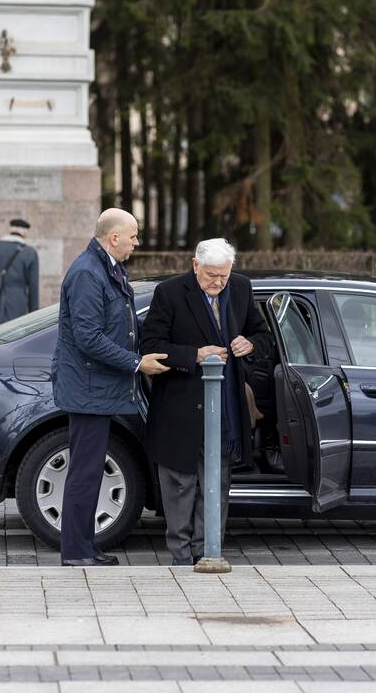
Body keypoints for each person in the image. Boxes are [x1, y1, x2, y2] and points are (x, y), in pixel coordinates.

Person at [140, 238, 271, 566]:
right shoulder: (170, 293)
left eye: (223, 276)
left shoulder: (240, 288)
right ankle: (181, 555)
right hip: (180, 408)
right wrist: (194, 355)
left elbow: (263, 334)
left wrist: (250, 343)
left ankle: (208, 551)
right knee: (180, 485)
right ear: (195, 265)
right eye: (211, 275)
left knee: (217, 482)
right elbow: (151, 344)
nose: (218, 282)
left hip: (226, 405)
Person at [51, 209, 170, 566]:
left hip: (97, 388)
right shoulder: (88, 272)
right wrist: (136, 363)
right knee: (85, 473)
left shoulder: (105, 268)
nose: (137, 242)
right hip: (89, 390)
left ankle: (85, 548)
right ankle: (75, 552)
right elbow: (88, 337)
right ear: (113, 237)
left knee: (89, 472)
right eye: (133, 235)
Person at [0, 218, 40, 329]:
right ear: (25, 232)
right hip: (17, 305)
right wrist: (33, 314)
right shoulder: (30, 252)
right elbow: (33, 287)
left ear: (10, 229)